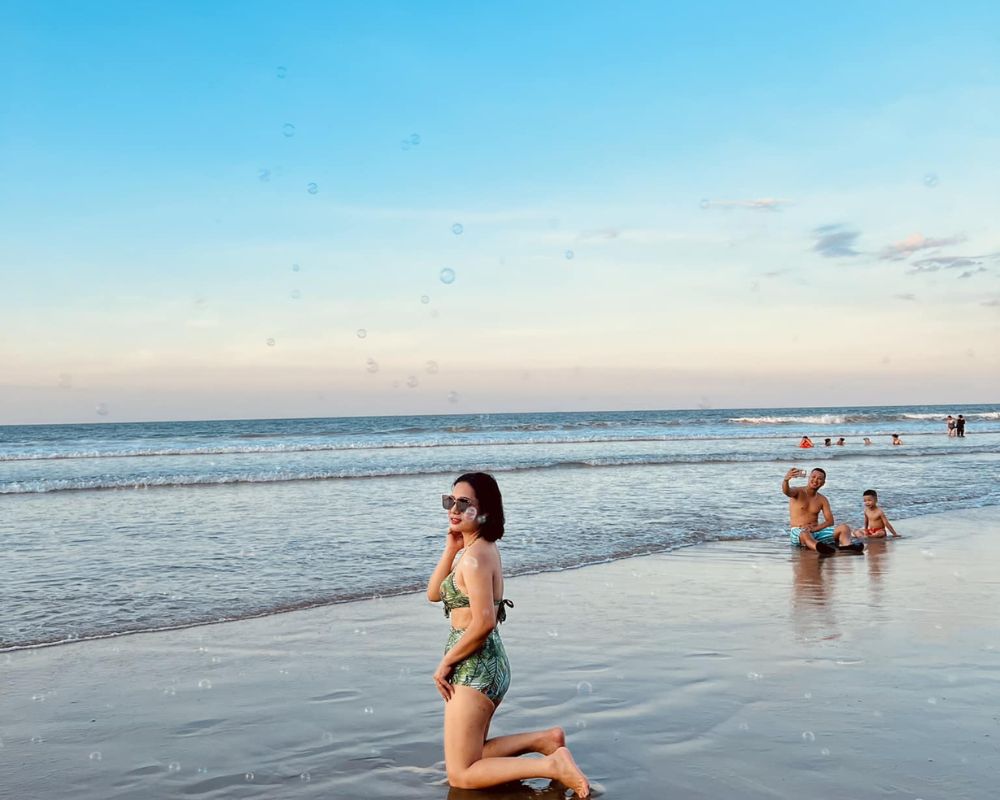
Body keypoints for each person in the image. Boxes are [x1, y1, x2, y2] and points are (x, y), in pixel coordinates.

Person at [426, 472, 589, 797]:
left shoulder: (474, 559)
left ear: (484, 512)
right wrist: (450, 548)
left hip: (473, 666)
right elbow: (434, 594)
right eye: (449, 500)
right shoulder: (477, 550)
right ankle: (544, 741)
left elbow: (484, 622)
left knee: (461, 774)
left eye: (463, 503)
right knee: (474, 756)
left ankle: (552, 766)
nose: (453, 509)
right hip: (486, 661)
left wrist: (447, 662)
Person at [782, 467, 860, 554]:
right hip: (799, 532)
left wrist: (815, 529)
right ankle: (819, 548)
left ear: (823, 483)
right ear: (809, 478)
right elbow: (787, 491)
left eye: (819, 479)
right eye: (813, 477)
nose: (815, 480)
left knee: (844, 528)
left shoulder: (822, 499)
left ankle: (846, 545)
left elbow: (830, 521)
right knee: (805, 534)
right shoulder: (797, 491)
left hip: (816, 532)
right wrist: (786, 480)